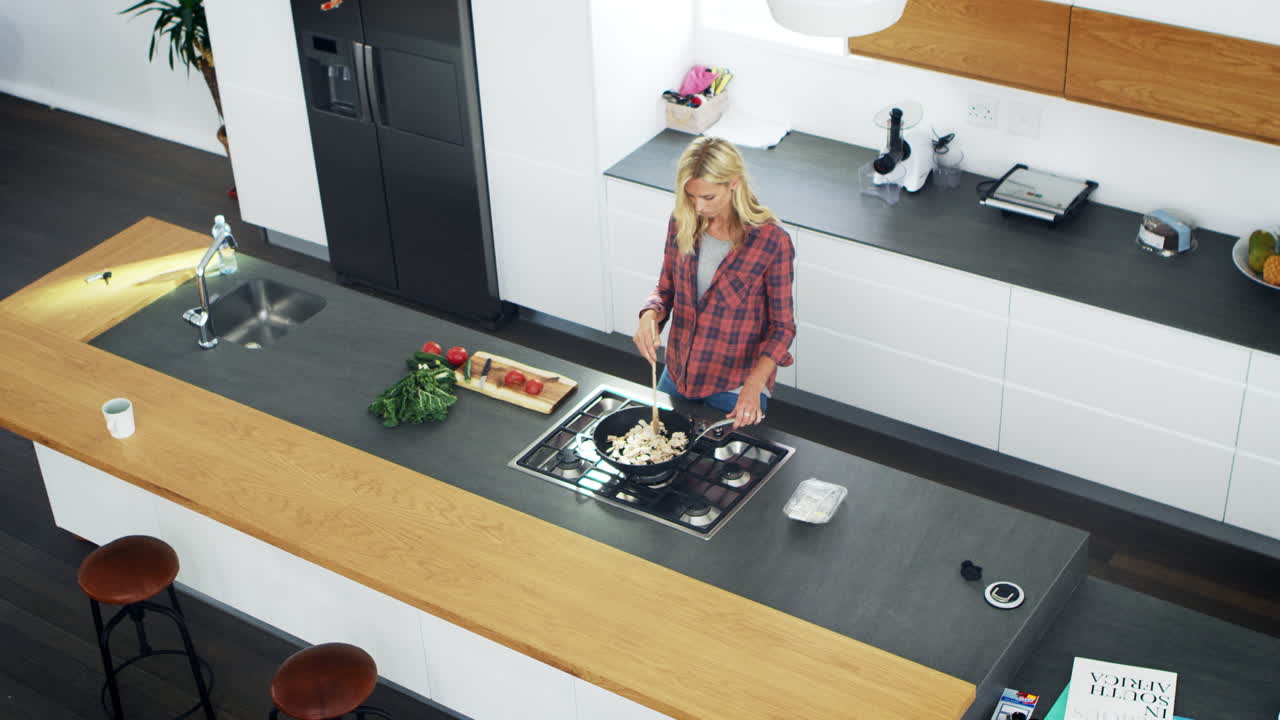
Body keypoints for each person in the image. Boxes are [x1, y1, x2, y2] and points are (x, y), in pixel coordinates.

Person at [633, 136, 796, 429]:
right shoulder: (683, 220)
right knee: (662, 449)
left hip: (734, 385)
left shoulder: (772, 242)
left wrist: (754, 387)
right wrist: (649, 315)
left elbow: (782, 328)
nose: (697, 206)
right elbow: (666, 288)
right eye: (691, 196)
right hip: (679, 374)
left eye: (708, 198)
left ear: (733, 183)